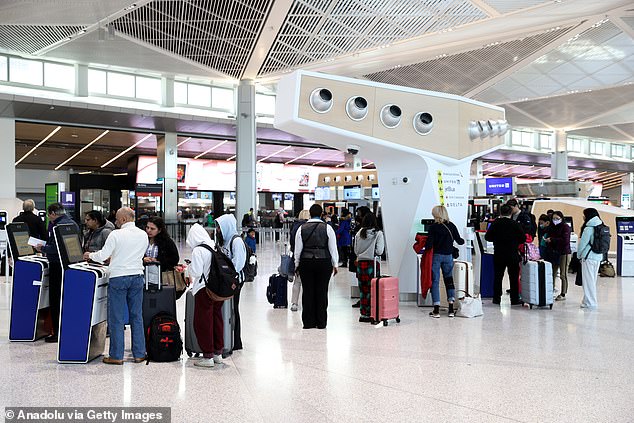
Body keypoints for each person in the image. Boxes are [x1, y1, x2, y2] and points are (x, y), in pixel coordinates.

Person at [83, 208, 148, 364]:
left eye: (118, 219)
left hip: (119, 278)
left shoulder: (116, 235)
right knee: (136, 316)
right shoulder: (143, 234)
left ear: (124, 219)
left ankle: (116, 356)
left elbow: (103, 256)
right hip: (137, 276)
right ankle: (139, 353)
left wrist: (89, 255)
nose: (116, 222)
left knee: (116, 318)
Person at [35, 203, 79, 343]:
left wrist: (42, 248)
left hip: (56, 265)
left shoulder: (57, 227)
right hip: (70, 264)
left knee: (55, 298)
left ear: (53, 213)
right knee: (65, 297)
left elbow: (55, 248)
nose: (48, 217)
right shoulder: (73, 224)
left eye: (49, 214)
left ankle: (56, 332)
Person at [293, 204, 339, 329]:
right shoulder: (328, 228)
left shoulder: (301, 228)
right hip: (323, 261)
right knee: (322, 291)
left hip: (306, 262)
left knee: (307, 291)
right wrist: (335, 264)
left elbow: (298, 249)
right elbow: (333, 248)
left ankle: (308, 322)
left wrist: (297, 265)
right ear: (321, 214)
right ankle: (321, 322)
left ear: (310, 214)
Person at [186, 224, 224, 367]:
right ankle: (217, 353)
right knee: (217, 319)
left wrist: (189, 266)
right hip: (217, 289)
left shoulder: (198, 250)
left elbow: (196, 273)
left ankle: (207, 356)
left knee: (203, 322)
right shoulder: (214, 246)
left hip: (204, 289)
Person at [425, 205, 465, 318]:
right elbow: (460, 241)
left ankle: (436, 310)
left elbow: (429, 245)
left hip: (437, 256)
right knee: (449, 280)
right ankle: (451, 309)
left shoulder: (433, 227)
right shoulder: (451, 225)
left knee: (435, 281)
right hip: (448, 256)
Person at [215, 213, 246, 350]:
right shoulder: (223, 240)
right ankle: (226, 339)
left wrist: (226, 275)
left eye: (219, 227)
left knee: (233, 310)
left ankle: (235, 341)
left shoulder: (236, 241)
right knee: (226, 310)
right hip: (225, 281)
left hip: (234, 282)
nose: (217, 230)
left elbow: (238, 264)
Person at [485, 204, 526, 306]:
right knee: (513, 277)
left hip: (499, 253)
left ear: (500, 212)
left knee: (498, 276)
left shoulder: (495, 223)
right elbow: (523, 239)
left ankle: (496, 298)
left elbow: (487, 237)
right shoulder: (515, 224)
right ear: (510, 213)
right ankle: (514, 299)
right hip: (512, 254)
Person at [353, 212, 385, 322]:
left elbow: (356, 251)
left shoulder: (359, 234)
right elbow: (380, 251)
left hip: (361, 265)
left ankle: (363, 314)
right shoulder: (378, 233)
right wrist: (372, 252)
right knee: (373, 289)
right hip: (373, 264)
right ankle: (373, 313)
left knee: (363, 290)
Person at [578, 208, 603, 309]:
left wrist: (579, 255)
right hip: (598, 257)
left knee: (588, 281)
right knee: (592, 280)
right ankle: (587, 300)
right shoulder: (600, 226)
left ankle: (590, 303)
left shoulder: (589, 228)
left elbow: (582, 244)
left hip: (588, 257)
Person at [546, 211, 571, 301]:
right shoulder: (551, 227)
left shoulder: (565, 227)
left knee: (563, 274)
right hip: (554, 252)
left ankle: (563, 293)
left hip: (564, 253)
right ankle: (550, 290)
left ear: (561, 218)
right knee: (553, 273)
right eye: (553, 219)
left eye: (557, 218)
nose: (555, 220)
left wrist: (552, 240)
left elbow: (565, 241)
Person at [289, 209, 310, 312]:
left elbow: (291, 242)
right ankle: (307, 303)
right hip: (308, 255)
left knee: (297, 281)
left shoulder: (294, 226)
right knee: (308, 282)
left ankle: (294, 303)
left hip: (297, 255)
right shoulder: (309, 227)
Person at [350, 206, 371, 308]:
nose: (357, 215)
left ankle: (364, 301)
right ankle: (366, 301)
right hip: (366, 259)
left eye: (359, 213)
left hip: (360, 258)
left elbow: (357, 248)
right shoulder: (374, 232)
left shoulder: (361, 230)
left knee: (363, 282)